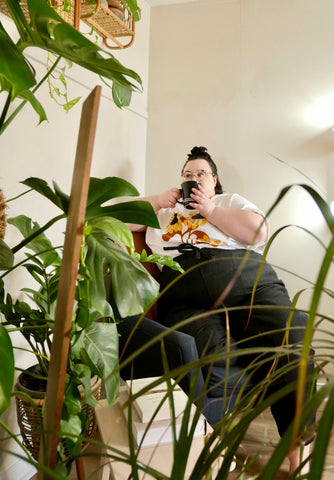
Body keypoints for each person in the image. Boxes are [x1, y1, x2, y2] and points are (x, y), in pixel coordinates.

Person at [130, 146, 314, 474]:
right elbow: (112, 217)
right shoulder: (162, 213)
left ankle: (296, 452)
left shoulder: (229, 202)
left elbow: (258, 231)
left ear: (214, 181)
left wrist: (210, 209)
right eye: (187, 175)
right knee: (207, 356)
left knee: (289, 336)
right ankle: (211, 444)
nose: (193, 179)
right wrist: (158, 200)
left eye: (200, 174)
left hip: (244, 279)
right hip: (184, 292)